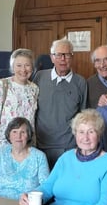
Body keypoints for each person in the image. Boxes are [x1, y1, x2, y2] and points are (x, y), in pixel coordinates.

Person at [19, 109, 107, 205]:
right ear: (75, 135)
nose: (85, 137)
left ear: (99, 135)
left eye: (91, 132)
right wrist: (30, 197)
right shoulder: (66, 157)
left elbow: (105, 201)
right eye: (81, 132)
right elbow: (47, 187)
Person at [33, 38, 88, 167]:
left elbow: (83, 116)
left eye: (67, 55)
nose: (63, 59)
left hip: (68, 147)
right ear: (52, 57)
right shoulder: (39, 77)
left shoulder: (80, 82)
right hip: (41, 146)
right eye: (58, 55)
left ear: (72, 57)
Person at [0, 48, 39, 162]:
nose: (23, 69)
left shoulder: (34, 88)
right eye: (18, 65)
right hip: (4, 144)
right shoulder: (3, 84)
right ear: (12, 67)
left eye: (27, 65)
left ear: (32, 68)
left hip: (26, 144)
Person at [0, 117, 50, 200]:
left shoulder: (39, 157)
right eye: (14, 132)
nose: (18, 136)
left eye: (22, 132)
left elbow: (47, 188)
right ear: (9, 135)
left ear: (28, 135)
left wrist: (32, 202)